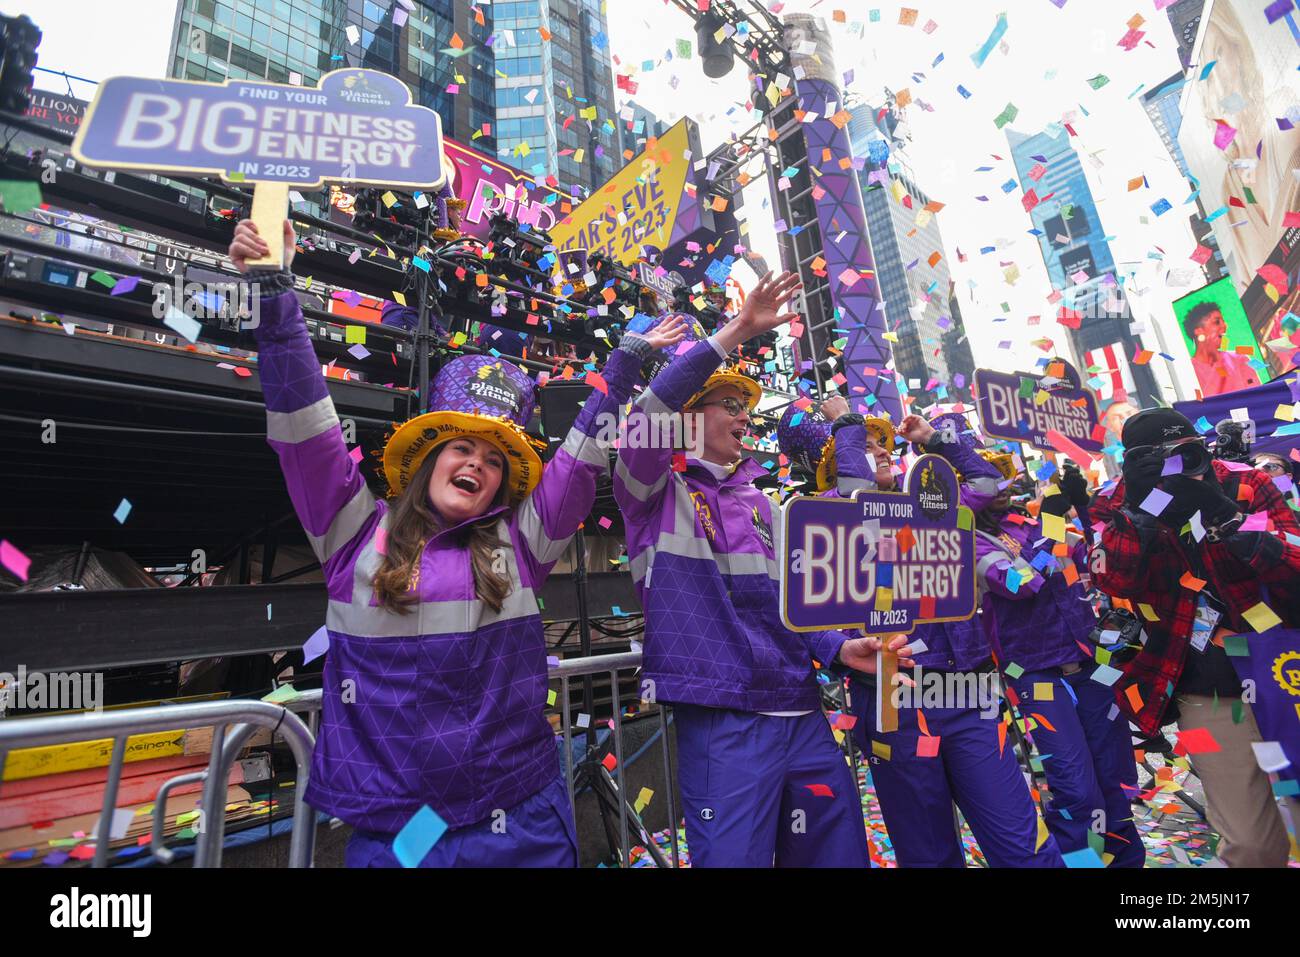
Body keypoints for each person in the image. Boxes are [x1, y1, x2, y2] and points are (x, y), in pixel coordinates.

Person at [228, 217, 686, 867]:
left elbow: (582, 455)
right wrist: (276, 294)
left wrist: (627, 361)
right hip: (404, 839)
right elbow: (307, 427)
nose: (476, 464)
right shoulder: (351, 532)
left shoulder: (522, 542)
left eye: (494, 458)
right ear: (427, 458)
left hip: (524, 823)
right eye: (461, 447)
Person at [613, 271, 900, 867]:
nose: (745, 416)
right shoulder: (649, 490)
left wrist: (836, 648)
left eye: (748, 407)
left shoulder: (767, 505)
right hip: (725, 722)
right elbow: (645, 415)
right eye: (729, 405)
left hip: (804, 716)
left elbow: (790, 603)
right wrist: (738, 329)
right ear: (688, 418)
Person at [1092, 407, 1300, 867]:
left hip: (1285, 671)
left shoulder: (1249, 482)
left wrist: (1229, 519)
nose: (1177, 466)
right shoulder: (1116, 502)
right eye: (1159, 458)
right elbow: (1113, 581)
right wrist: (1141, 511)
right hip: (1204, 691)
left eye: (1185, 453)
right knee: (1249, 842)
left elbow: (1296, 559)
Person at [943, 438, 1145, 867]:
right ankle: (1084, 865)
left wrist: (1083, 508)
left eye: (1004, 476)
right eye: (990, 479)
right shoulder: (963, 541)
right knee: (1075, 787)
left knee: (1116, 776)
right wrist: (1052, 527)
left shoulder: (1028, 525)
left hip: (1092, 664)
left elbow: (1094, 560)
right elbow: (1021, 585)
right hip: (1037, 674)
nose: (1002, 486)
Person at [1183, 302, 1261, 398]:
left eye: (1223, 322)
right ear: (1199, 331)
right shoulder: (1188, 372)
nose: (1224, 326)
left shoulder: (1240, 359)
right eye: (1217, 322)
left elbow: (1258, 396)